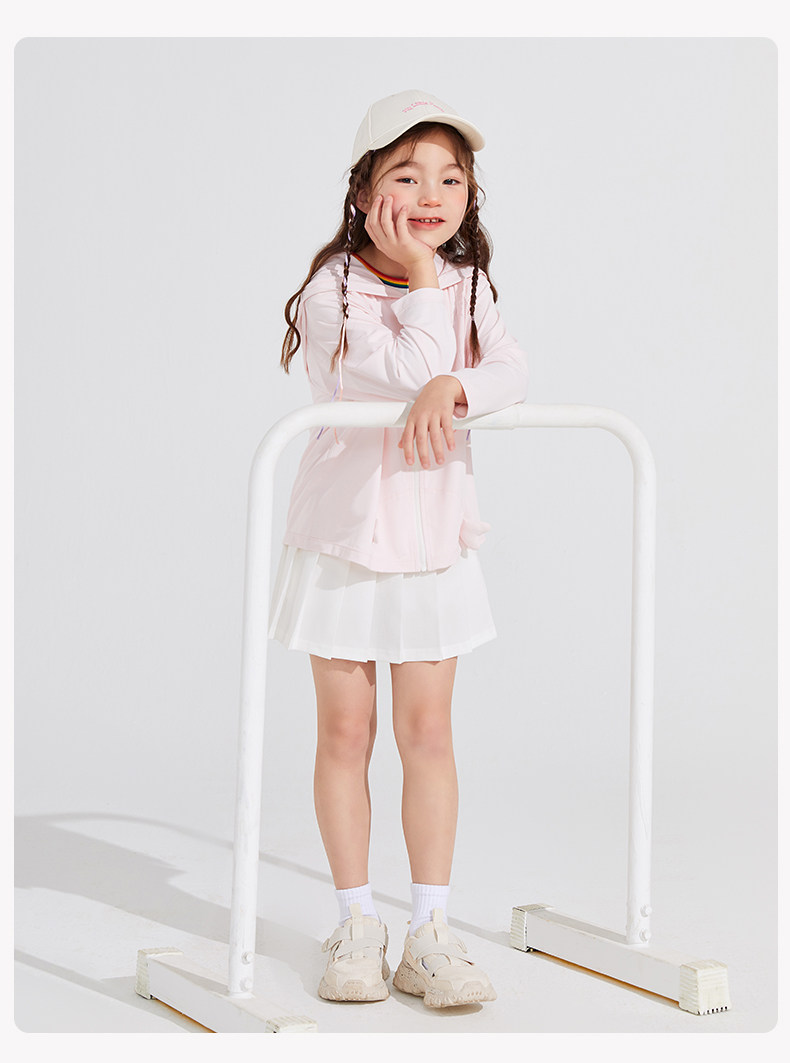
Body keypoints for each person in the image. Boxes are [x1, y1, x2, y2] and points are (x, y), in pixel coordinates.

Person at [268, 89, 529, 1008]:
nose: (431, 195)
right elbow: (400, 373)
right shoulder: (331, 291)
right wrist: (421, 280)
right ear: (364, 189)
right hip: (345, 540)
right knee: (347, 732)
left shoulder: (471, 286)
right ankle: (356, 923)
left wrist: (457, 385)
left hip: (432, 543)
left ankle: (429, 931)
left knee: (428, 733)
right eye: (407, 176)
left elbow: (509, 370)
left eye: (451, 179)